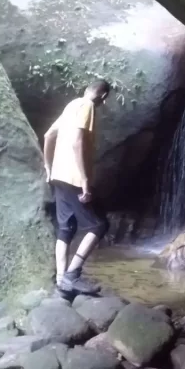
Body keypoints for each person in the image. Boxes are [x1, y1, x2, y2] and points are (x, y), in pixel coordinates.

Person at [43, 80, 111, 298]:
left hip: (58, 175)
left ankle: (61, 280)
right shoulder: (87, 106)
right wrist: (84, 180)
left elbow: (48, 135)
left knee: (66, 228)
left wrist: (47, 166)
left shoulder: (71, 105)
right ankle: (73, 274)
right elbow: (76, 141)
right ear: (103, 96)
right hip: (73, 177)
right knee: (99, 225)